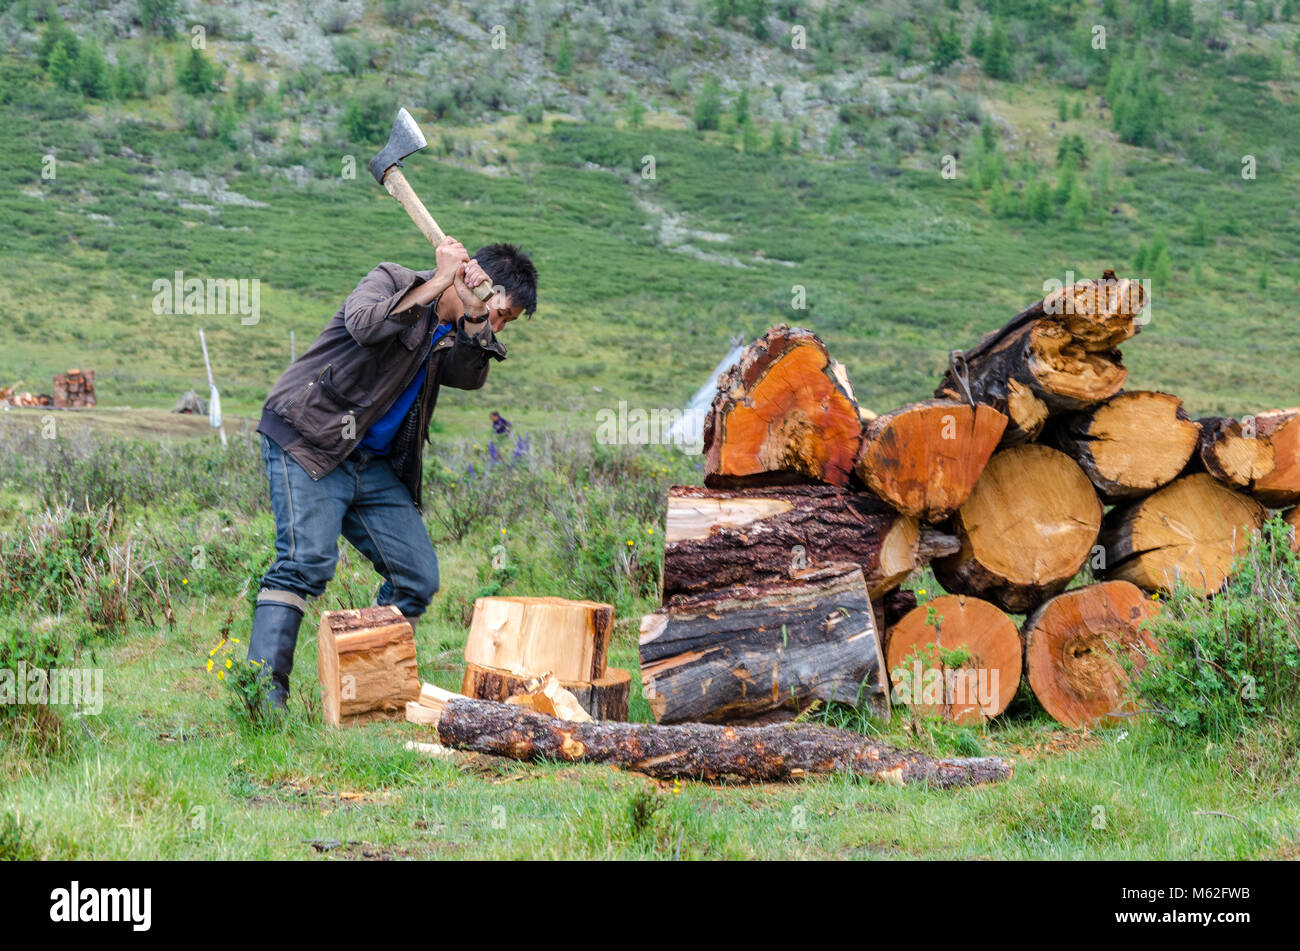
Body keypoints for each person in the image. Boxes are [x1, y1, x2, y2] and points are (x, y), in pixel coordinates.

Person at [248, 236, 538, 707]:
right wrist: (441, 280)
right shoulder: (391, 279)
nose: (499, 325)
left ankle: (366, 690)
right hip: (311, 439)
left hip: (372, 465)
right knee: (304, 563)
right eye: (501, 313)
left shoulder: (462, 328)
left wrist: (477, 316)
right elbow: (365, 326)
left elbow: (470, 376)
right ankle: (262, 701)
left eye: (504, 320)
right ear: (471, 276)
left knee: (416, 578)